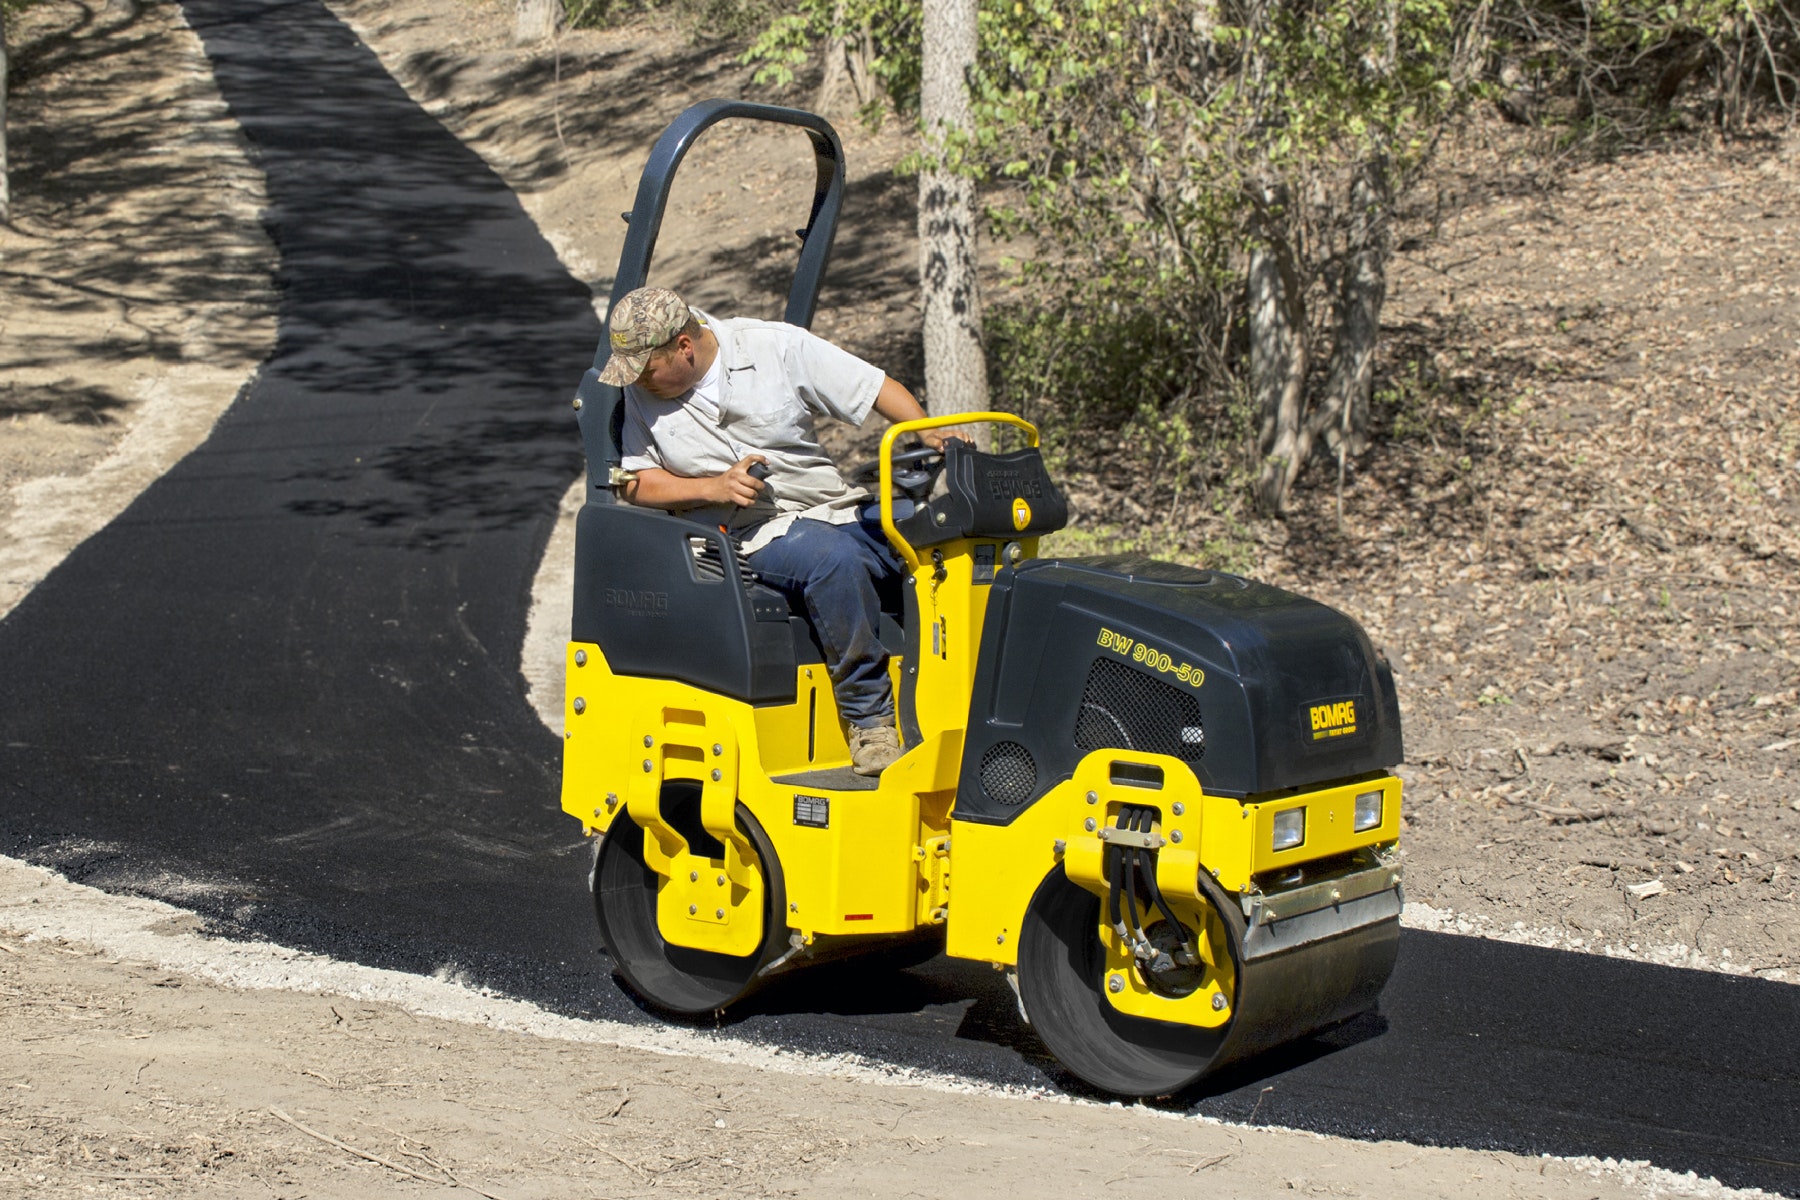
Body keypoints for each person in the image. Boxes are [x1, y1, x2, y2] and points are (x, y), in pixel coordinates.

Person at [599, 286, 950, 776]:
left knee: (932, 546)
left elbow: (872, 388)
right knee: (831, 559)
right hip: (738, 537)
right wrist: (714, 487)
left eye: (646, 370)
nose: (637, 382)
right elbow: (637, 483)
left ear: (684, 346)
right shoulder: (642, 394)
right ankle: (869, 720)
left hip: (831, 508)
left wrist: (931, 430)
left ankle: (952, 701)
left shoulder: (773, 347)